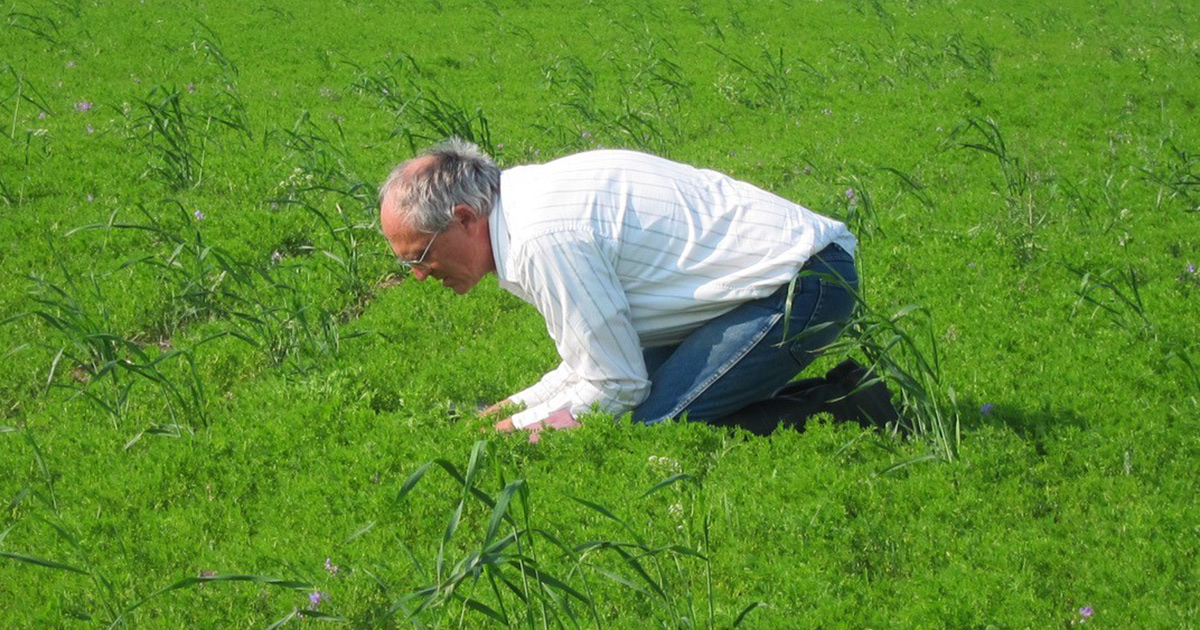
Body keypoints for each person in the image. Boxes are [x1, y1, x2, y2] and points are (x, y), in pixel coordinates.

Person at [378, 138, 896, 438]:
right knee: (647, 408)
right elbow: (591, 361)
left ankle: (857, 408)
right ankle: (848, 392)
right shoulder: (521, 210)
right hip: (762, 284)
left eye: (420, 257)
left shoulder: (541, 239)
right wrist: (512, 407)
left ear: (466, 217)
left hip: (802, 284)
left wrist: (520, 433)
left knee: (649, 427)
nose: (421, 276)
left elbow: (617, 385)